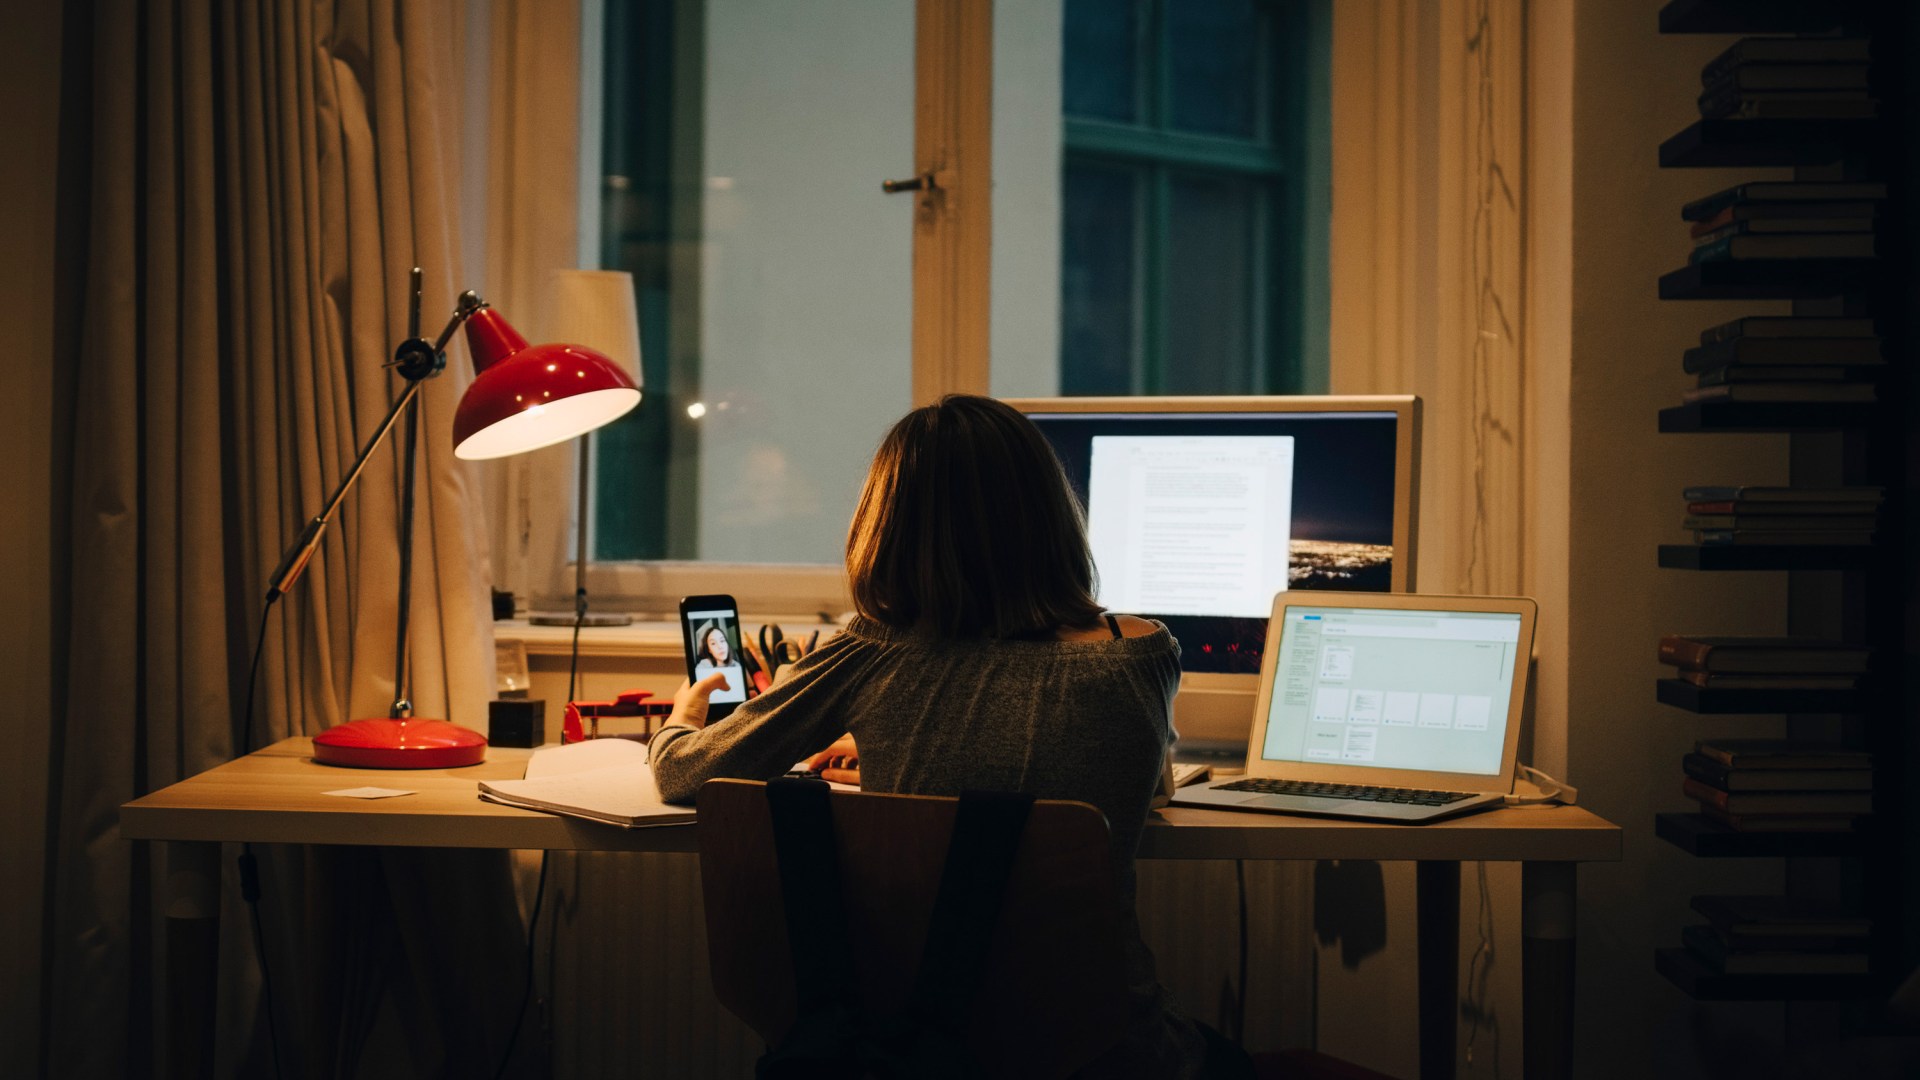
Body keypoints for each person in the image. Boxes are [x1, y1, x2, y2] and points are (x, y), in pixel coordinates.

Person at [649, 394, 1250, 1079]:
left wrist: (682, 718)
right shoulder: (1143, 651)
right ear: (1051, 517)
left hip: (914, 1046)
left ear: (887, 527)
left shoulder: (871, 651)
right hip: (1101, 1050)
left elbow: (684, 775)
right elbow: (1138, 786)